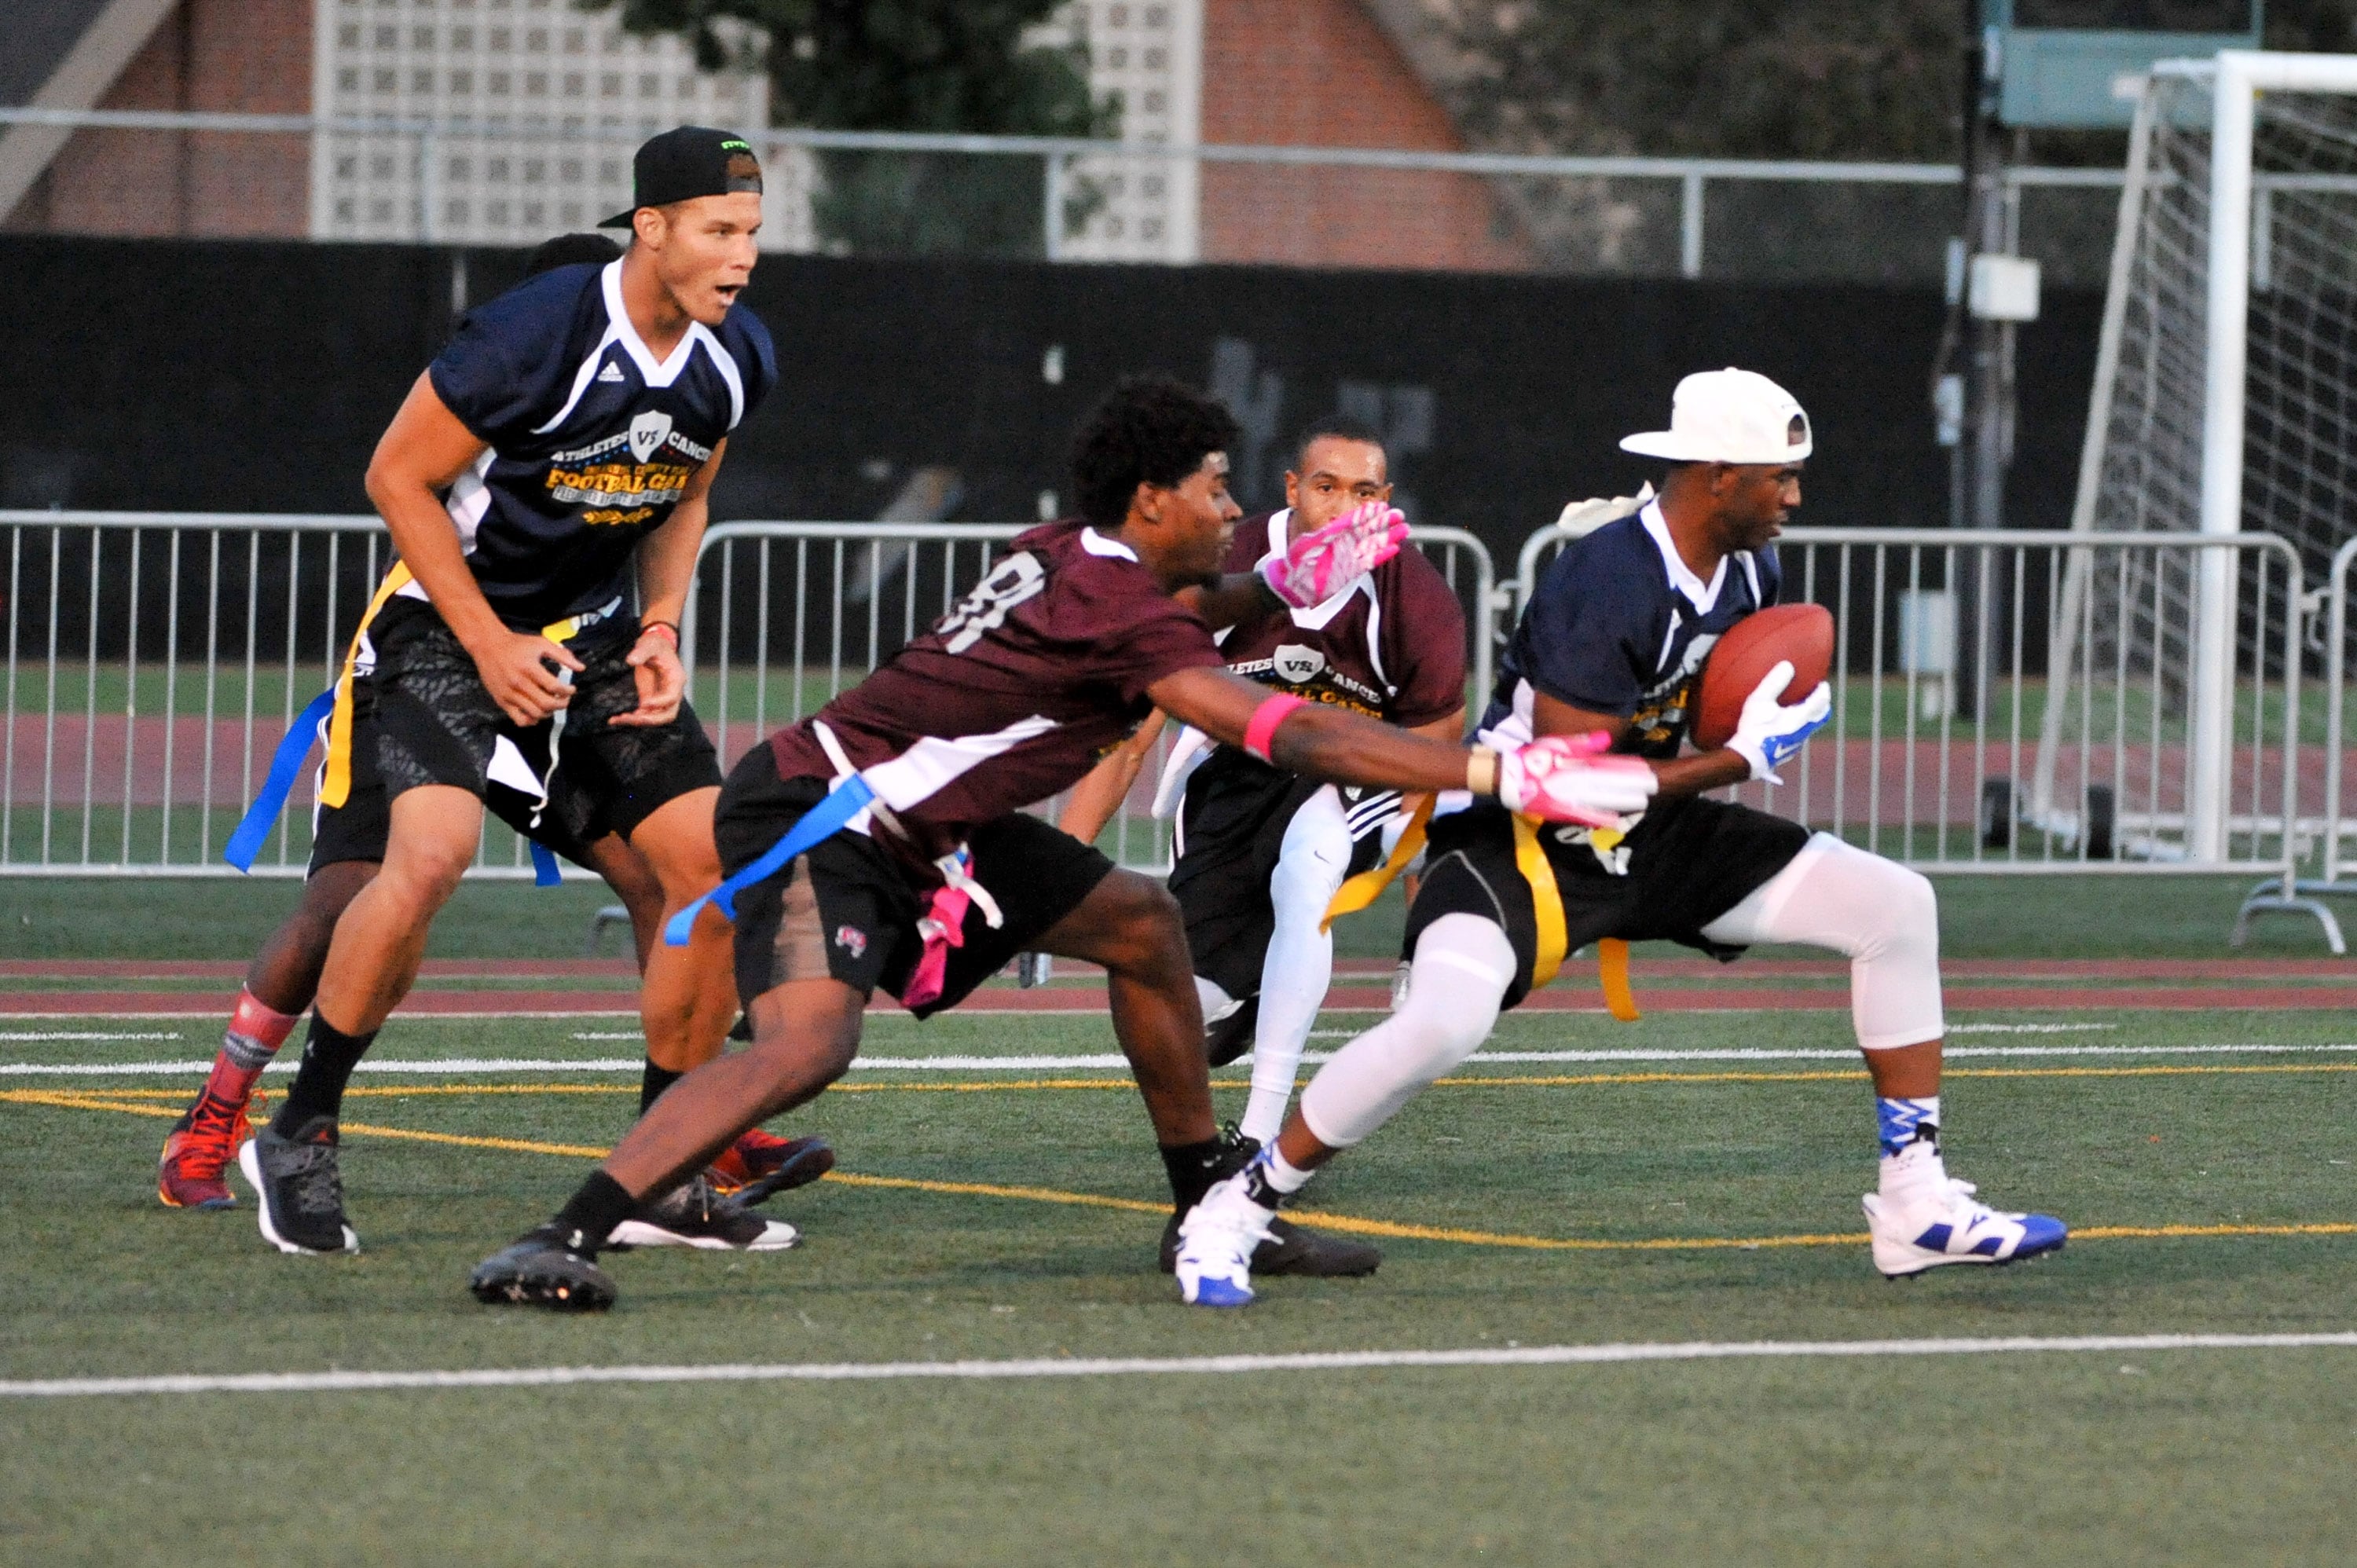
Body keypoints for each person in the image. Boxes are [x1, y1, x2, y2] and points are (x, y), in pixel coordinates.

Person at [466, 375, 1657, 1311]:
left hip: (934, 826)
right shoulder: (1115, 605)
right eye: (1216, 489)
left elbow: (1202, 604)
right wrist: (1502, 770)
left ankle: (1206, 1202)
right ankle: (565, 1227)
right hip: (824, 813)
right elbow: (1297, 737)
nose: (1236, 509)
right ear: (1151, 502)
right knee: (808, 1046)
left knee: (1143, 924)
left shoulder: (1069, 548)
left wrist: (1282, 578)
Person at [1172, 368, 2067, 1307]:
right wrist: (1738, 760)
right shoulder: (1606, 580)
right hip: (1521, 840)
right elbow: (1571, 785)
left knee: (1897, 905)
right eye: (1780, 476)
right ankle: (1235, 1205)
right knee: (1441, 1022)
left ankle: (1915, 1198)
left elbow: (1707, 720)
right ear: (1718, 476)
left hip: (1652, 826)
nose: (1796, 497)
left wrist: (1760, 721)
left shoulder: (1753, 566)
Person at [157, 233, 823, 1216]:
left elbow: (685, 491)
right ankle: (219, 1116)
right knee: (354, 895)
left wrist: (657, 624)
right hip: (444, 655)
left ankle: (687, 1126)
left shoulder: (691, 379)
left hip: (571, 664)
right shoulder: (518, 377)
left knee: (670, 873)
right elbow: (403, 479)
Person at [1059, 416, 1467, 1282]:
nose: (1346, 506)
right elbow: (1132, 728)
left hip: (1350, 775)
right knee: (1184, 1020)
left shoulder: (1415, 592)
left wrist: (1420, 922)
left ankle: (1263, 1133)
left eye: (1366, 491)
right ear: (1291, 490)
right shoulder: (1227, 556)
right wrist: (1061, 859)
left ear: (1386, 503)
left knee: (1312, 857)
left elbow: (1433, 755)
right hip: (1229, 780)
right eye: (1328, 486)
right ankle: (1244, 1020)